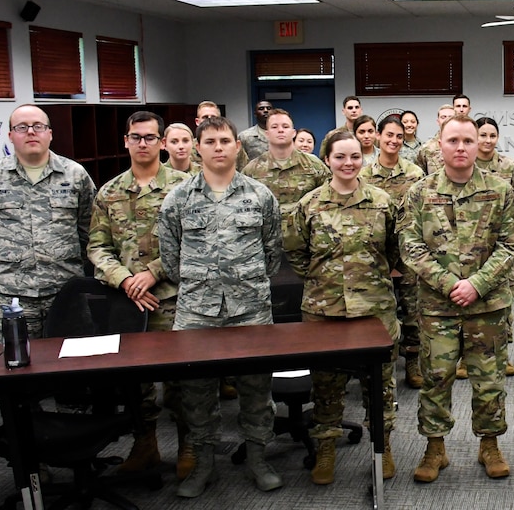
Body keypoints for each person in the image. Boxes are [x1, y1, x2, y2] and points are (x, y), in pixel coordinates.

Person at [158, 115, 284, 498]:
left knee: (257, 389)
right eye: (209, 141)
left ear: (237, 146)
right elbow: (170, 259)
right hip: (197, 310)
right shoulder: (177, 198)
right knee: (195, 393)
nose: (218, 147)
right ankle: (204, 464)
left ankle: (259, 459)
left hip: (251, 309)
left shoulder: (260, 195)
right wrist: (203, 283)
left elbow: (272, 254)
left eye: (224, 140)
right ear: (198, 147)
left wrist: (243, 282)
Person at [400, 114, 514, 483]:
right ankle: (434, 447)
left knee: (489, 380)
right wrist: (449, 282)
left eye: (468, 141)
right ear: (439, 145)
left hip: (487, 304)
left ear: (479, 145)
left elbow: (509, 245)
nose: (461, 147)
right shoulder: (419, 193)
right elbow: (410, 245)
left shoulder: (501, 190)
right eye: (453, 140)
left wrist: (477, 284)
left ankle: (490, 444)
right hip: (438, 305)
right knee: (437, 377)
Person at [284, 130, 401, 484]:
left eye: (354, 157)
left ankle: (383, 449)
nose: (348, 163)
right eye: (340, 157)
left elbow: (394, 250)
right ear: (327, 159)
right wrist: (324, 280)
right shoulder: (309, 205)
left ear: (362, 158)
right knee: (326, 384)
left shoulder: (383, 203)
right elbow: (295, 251)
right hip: (324, 310)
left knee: (379, 386)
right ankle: (326, 450)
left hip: (374, 309)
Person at [88, 110, 194, 476]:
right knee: (136, 382)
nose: (143, 143)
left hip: (175, 299)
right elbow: (97, 247)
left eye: (150, 137)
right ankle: (145, 444)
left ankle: (187, 447)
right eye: (136, 136)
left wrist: (151, 273)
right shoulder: (110, 191)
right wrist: (123, 278)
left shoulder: (186, 186)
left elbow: (195, 241)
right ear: (126, 141)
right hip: (128, 303)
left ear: (163, 142)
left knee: (181, 379)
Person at [0, 104, 95, 345]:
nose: (31, 132)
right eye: (22, 127)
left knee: (74, 368)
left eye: (38, 126)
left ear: (50, 133)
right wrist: (4, 265)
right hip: (11, 296)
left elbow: (90, 229)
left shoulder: (75, 174)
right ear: (11, 135)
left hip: (66, 292)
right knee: (11, 368)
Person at [359, 117, 426, 390]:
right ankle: (374, 360)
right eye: (389, 135)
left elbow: (423, 215)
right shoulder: (363, 175)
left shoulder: (415, 174)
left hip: (409, 251)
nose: (394, 141)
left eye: (399, 136)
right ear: (377, 136)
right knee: (374, 308)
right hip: (375, 252)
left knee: (413, 308)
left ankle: (412, 360)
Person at [473, 117, 514, 378]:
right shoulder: (464, 166)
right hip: (469, 250)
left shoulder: (510, 167)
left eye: (491, 135)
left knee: (503, 300)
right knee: (468, 302)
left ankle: (502, 355)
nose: (487, 140)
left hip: (502, 249)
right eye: (482, 135)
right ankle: (466, 358)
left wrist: (511, 232)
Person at [242, 108, 330, 217]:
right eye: (274, 127)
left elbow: (329, 196)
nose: (280, 130)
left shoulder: (313, 164)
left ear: (293, 133)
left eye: (285, 126)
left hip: (305, 231)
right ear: (267, 134)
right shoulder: (252, 170)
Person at [195, 100, 248, 171]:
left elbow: (244, 169)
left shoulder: (233, 145)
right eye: (205, 117)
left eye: (213, 117)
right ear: (197, 122)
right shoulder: (189, 147)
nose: (210, 119)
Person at [415, 104, 457, 174]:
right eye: (443, 117)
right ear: (438, 121)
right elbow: (420, 176)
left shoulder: (464, 145)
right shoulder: (426, 148)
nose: (447, 119)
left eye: (451, 117)